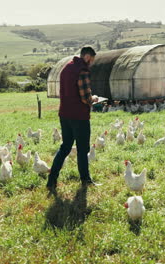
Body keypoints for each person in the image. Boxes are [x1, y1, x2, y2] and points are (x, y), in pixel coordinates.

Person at [47, 47, 100, 193]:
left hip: (65, 114)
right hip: (79, 116)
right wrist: (93, 99)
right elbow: (85, 97)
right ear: (87, 56)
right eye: (92, 60)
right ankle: (85, 180)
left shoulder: (67, 67)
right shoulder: (82, 70)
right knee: (83, 149)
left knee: (65, 147)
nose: (91, 63)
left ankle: (51, 180)